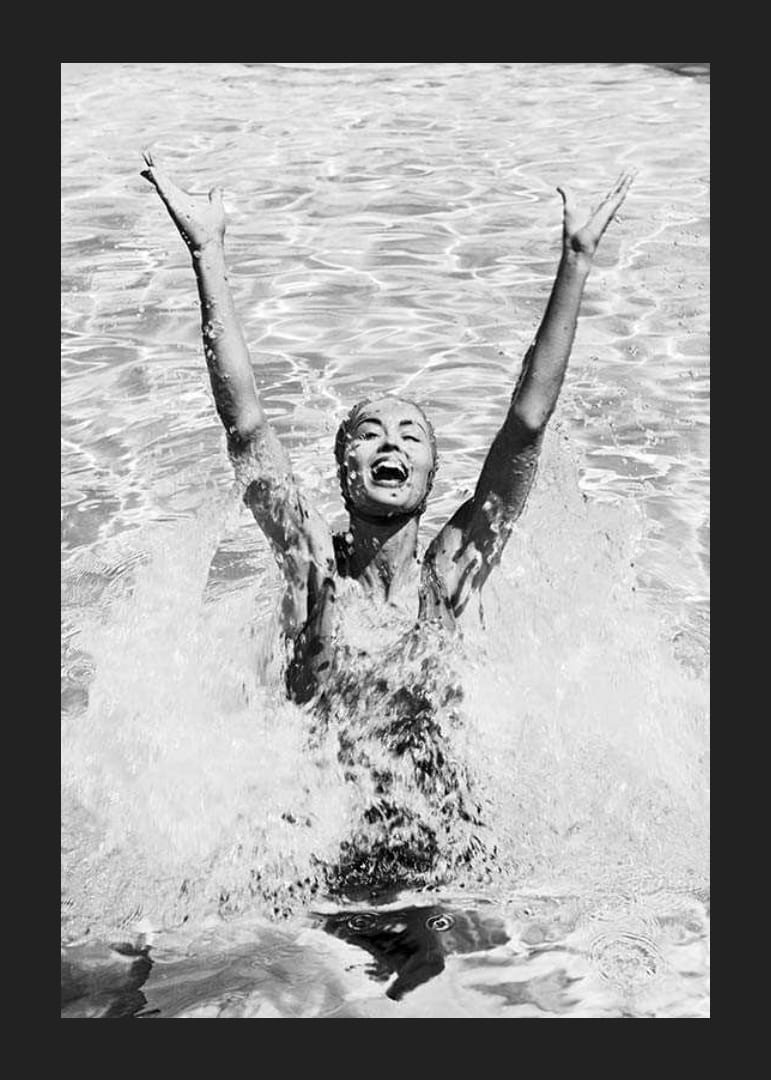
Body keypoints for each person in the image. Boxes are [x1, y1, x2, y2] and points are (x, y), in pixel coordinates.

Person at [140, 153, 634, 894]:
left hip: (448, 863)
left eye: (410, 434)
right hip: (315, 867)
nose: (389, 443)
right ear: (343, 467)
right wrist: (207, 253)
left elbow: (526, 427)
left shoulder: (451, 575)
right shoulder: (314, 562)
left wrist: (575, 262)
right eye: (368, 432)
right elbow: (246, 430)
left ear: (432, 476)